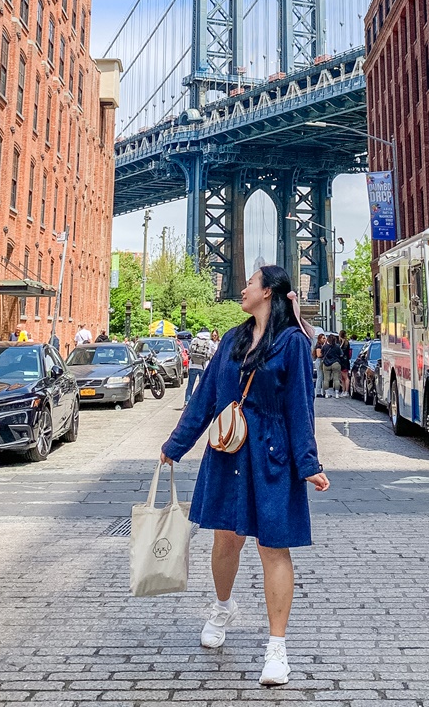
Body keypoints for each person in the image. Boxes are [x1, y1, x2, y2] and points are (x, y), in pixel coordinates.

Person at [161, 265, 329, 687]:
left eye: (250, 283)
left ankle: (277, 648)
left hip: (271, 455)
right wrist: (176, 446)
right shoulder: (232, 339)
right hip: (227, 451)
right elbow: (205, 399)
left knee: (273, 548)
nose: (242, 288)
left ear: (268, 292)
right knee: (225, 540)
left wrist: (308, 464)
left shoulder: (292, 343)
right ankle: (222, 608)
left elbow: (299, 408)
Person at [185, 328, 216, 403]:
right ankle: (201, 402)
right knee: (203, 386)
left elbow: (189, 351)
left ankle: (187, 402)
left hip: (193, 365)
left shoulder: (194, 340)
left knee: (190, 385)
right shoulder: (210, 342)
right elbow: (214, 352)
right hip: (203, 366)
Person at [312, 333, 326, 397]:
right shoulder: (318, 346)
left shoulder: (322, 345)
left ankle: (323, 392)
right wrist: (325, 353)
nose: (324, 339)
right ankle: (318, 392)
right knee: (320, 377)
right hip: (319, 361)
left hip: (321, 361)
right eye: (323, 338)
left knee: (322, 377)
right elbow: (319, 355)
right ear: (320, 339)